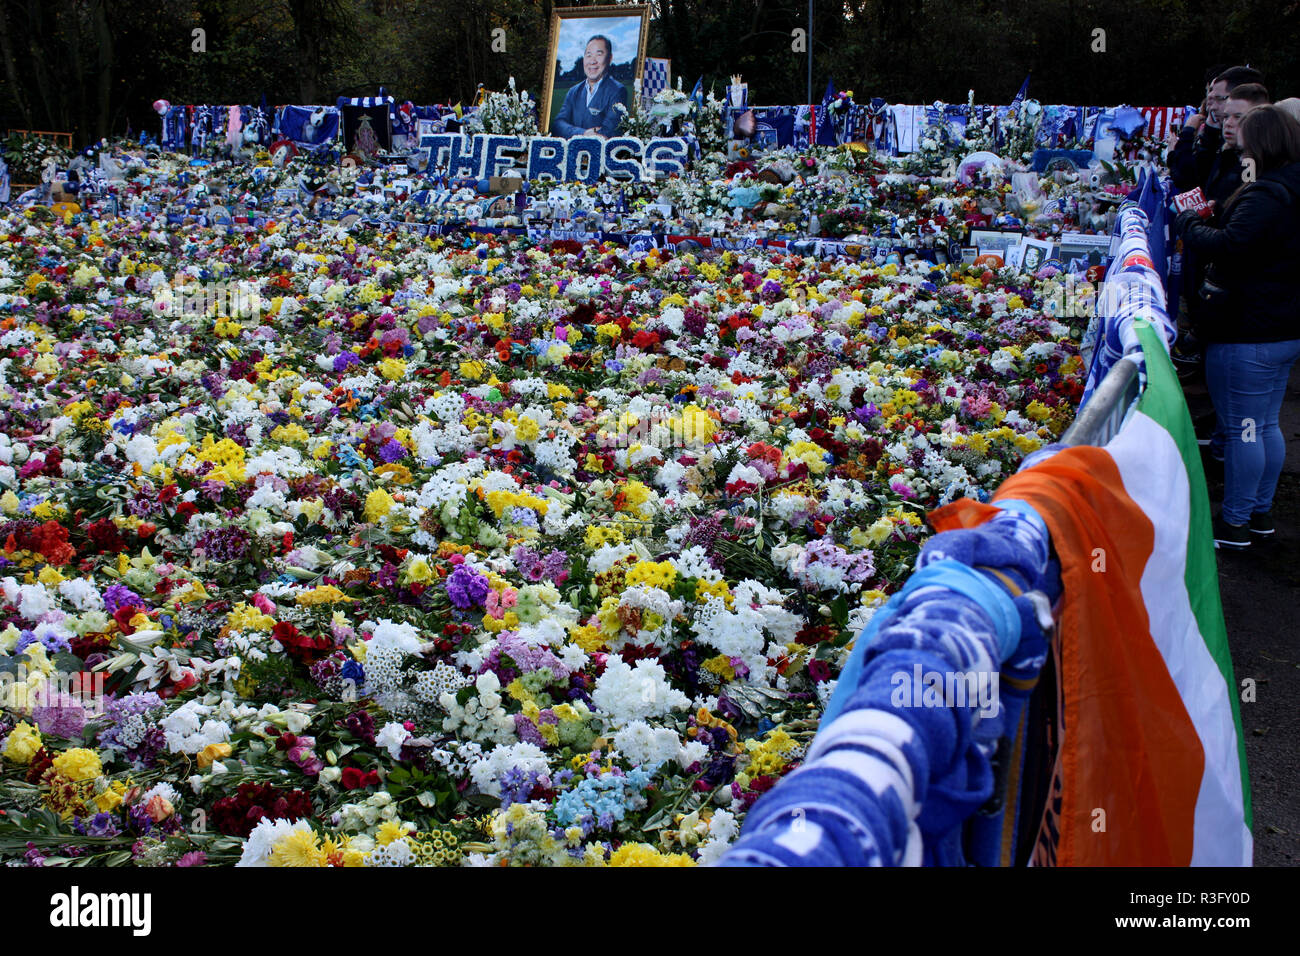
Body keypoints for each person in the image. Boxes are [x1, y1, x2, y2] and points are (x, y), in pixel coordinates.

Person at [1177, 106, 1300, 548]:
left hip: (1249, 330)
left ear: (1262, 146)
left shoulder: (1266, 194)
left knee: (1246, 427)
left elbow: (1230, 247)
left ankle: (1235, 523)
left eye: (1244, 146)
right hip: (1281, 328)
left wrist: (1191, 224)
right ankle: (1259, 514)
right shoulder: (1288, 186)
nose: (1239, 153)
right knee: (1265, 425)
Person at [551, 35, 628, 139]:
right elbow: (558, 125)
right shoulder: (573, 91)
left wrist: (571, 132)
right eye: (588, 55)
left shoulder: (617, 91)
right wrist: (583, 133)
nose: (592, 61)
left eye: (599, 54)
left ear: (609, 58)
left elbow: (609, 131)